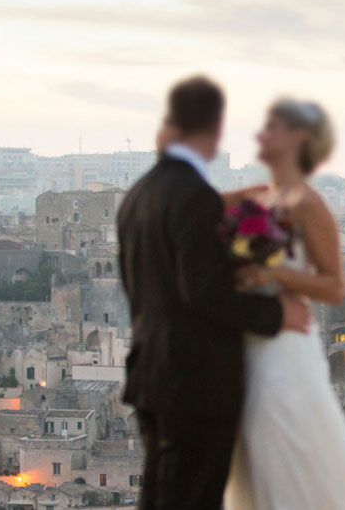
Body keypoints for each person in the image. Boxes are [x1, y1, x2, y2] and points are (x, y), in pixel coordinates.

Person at [117, 75, 312, 509]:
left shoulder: (139, 195)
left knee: (162, 496)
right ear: (214, 130)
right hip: (193, 383)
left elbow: (146, 284)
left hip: (151, 374)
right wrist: (279, 315)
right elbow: (202, 292)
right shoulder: (194, 197)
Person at [222, 98, 345, 509]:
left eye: (273, 127)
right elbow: (200, 207)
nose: (263, 133)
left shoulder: (310, 204)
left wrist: (271, 274)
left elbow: (334, 288)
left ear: (298, 140)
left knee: (286, 443)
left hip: (285, 344)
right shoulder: (258, 197)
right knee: (254, 450)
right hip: (251, 337)